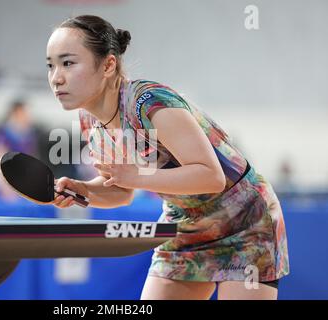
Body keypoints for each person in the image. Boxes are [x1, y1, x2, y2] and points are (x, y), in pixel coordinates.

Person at [46, 15, 289, 300]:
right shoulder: (89, 119)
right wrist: (84, 190)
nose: (56, 78)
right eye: (50, 65)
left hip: (245, 220)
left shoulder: (149, 103)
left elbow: (211, 176)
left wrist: (137, 176)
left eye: (68, 63)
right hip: (184, 225)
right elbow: (122, 192)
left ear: (109, 65)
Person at [0, 99, 39, 200]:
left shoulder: (29, 136)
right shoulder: (3, 134)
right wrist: (5, 186)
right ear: (17, 113)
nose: (30, 117)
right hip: (6, 185)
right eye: (26, 113)